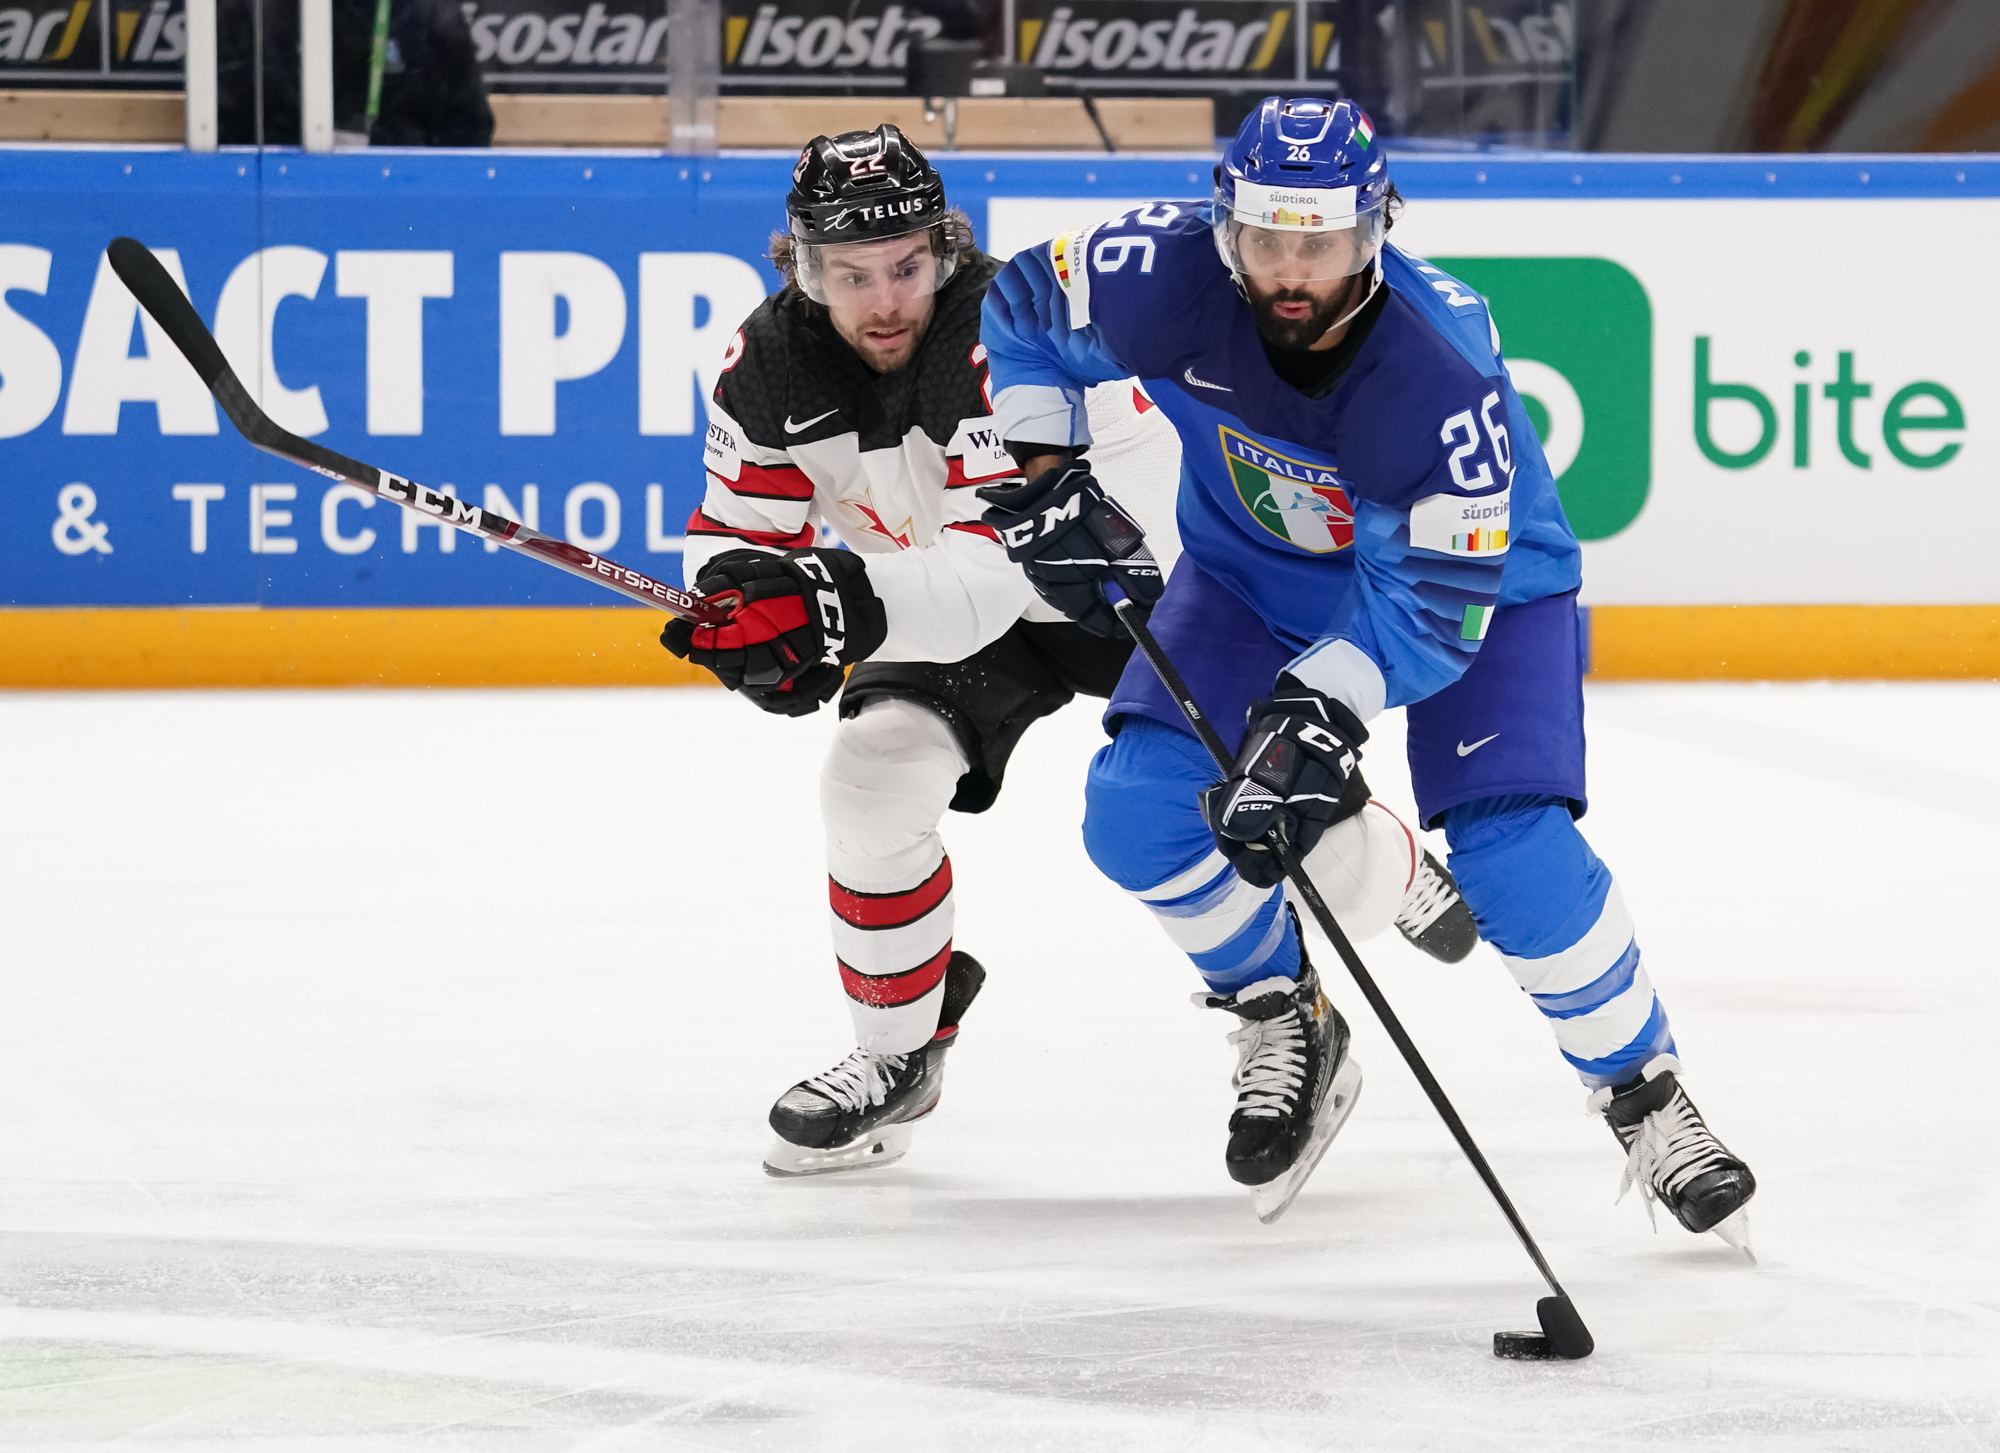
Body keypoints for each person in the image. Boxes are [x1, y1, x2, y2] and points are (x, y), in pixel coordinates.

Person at [977, 96, 1758, 1243]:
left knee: (1512, 852)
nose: (1293, 273)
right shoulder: (1154, 267)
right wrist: (1043, 462)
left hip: (1481, 597)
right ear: (1222, 223)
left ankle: (1642, 1091)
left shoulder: (1435, 367)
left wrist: (1315, 713)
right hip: (1250, 576)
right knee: (1134, 814)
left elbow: (1432, 609)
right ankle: (1283, 1005)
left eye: (1325, 243)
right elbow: (1021, 305)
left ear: (1375, 229)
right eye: (1268, 240)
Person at [660, 123, 1469, 1179]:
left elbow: (992, 572)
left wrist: (833, 603)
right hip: (939, 602)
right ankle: (899, 1053)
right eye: (851, 275)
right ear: (804, 266)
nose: (885, 299)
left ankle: (1371, 875)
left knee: (1288, 835)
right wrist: (737, 601)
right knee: (869, 777)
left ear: (944, 250)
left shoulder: (998, 336)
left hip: (1135, 591)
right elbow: (738, 531)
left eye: (907, 266)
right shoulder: (769, 361)